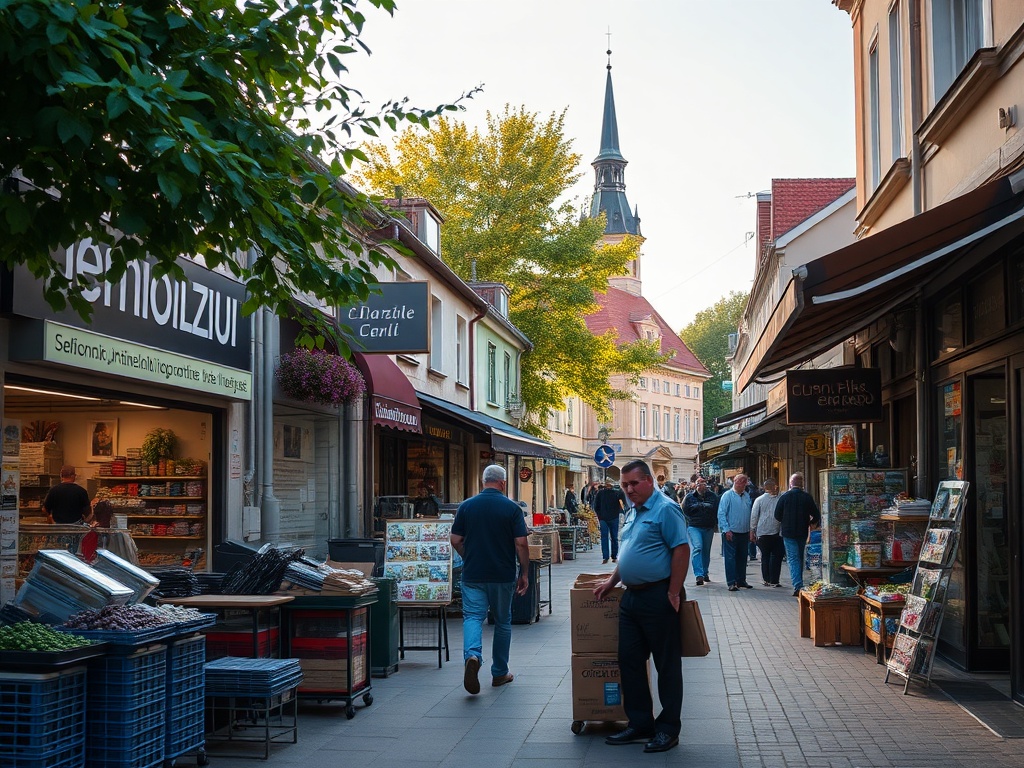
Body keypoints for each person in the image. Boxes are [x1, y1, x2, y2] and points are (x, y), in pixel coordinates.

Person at [594, 460, 689, 754]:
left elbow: (681, 549)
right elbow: (630, 550)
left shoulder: (666, 509)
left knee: (666, 665)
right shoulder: (633, 509)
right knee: (629, 660)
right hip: (631, 597)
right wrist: (612, 580)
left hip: (659, 595)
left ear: (649, 480)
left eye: (634, 483)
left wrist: (673, 591)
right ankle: (640, 723)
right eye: (625, 485)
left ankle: (668, 729)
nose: (629, 489)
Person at [449, 465, 530, 695]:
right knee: (502, 622)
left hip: (473, 573)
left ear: (483, 482)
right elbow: (521, 543)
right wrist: (524, 573)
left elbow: (455, 539)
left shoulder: (466, 506)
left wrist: (468, 556)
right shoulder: (512, 508)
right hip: (502, 574)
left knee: (473, 617)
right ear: (503, 483)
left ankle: (473, 656)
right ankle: (500, 672)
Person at [774, 472, 822, 597]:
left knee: (793, 558)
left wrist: (785, 521)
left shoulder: (784, 497)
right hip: (802, 532)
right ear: (802, 484)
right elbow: (816, 514)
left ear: (790, 484)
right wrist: (810, 523)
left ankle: (798, 585)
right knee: (799, 557)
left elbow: (777, 515)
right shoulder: (807, 497)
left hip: (788, 532)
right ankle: (798, 583)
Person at [718, 473, 753, 591]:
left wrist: (751, 530)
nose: (743, 484)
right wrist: (726, 529)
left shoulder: (746, 495)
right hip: (731, 532)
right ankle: (731, 582)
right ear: (735, 482)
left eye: (745, 482)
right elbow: (721, 513)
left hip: (744, 531)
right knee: (730, 558)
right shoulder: (727, 495)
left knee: (743, 557)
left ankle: (741, 580)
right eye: (741, 482)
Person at [682, 476, 718, 586]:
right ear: (695, 485)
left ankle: (705, 572)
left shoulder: (712, 496)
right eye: (699, 483)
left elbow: (714, 508)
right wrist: (702, 506)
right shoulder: (689, 497)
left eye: (703, 483)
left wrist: (698, 507)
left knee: (706, 551)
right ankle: (699, 575)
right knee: (698, 547)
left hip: (708, 527)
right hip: (694, 526)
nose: (701, 485)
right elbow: (685, 509)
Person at [749, 478, 784, 587]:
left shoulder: (759, 500)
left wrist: (752, 530)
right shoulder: (779, 499)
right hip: (776, 532)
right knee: (776, 557)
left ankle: (767, 579)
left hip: (763, 532)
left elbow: (754, 516)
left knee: (766, 557)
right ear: (774, 487)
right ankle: (774, 580)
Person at [592, 481, 626, 564]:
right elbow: (624, 501)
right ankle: (614, 556)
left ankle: (605, 557)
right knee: (614, 538)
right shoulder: (616, 493)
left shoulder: (600, 493)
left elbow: (596, 506)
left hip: (603, 518)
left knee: (604, 537)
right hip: (614, 518)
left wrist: (600, 516)